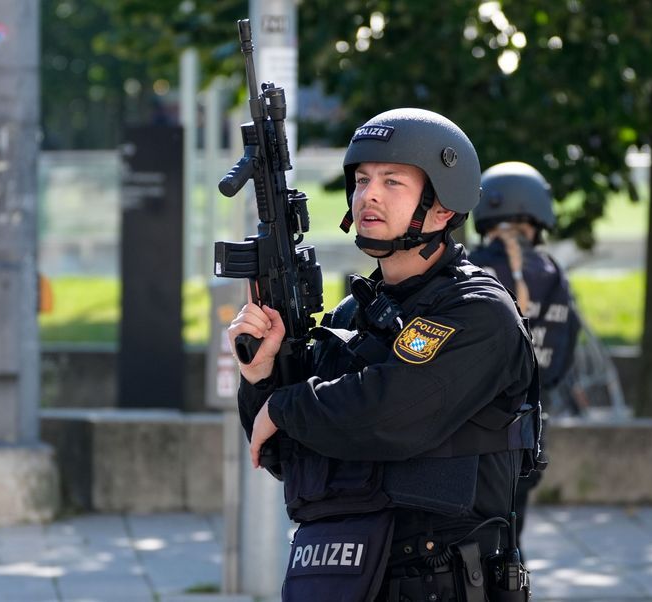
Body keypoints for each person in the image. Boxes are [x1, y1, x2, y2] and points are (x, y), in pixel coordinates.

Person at [229, 108, 542, 601]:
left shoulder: (478, 312)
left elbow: (390, 412)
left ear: (443, 208)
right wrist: (261, 375)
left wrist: (285, 407)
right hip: (343, 578)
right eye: (361, 180)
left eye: (392, 181)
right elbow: (282, 454)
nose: (368, 194)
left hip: (439, 583)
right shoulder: (353, 314)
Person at [468, 161, 582, 551]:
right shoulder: (553, 273)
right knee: (510, 544)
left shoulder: (467, 269)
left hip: (468, 437)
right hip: (529, 433)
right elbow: (564, 352)